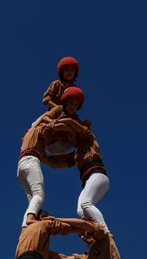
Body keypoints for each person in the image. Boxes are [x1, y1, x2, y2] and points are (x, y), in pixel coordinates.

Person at [19, 96, 93, 226]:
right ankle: (30, 218)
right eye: (71, 103)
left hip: (21, 165)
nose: (73, 107)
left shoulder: (32, 134)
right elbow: (51, 126)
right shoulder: (40, 130)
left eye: (76, 105)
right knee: (39, 195)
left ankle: (26, 225)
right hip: (32, 160)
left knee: (32, 200)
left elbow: (53, 163)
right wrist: (80, 128)